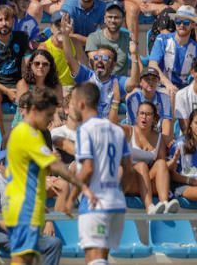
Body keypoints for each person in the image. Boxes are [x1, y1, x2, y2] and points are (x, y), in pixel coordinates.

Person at [6, 87, 94, 265]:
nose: (50, 121)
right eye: (48, 115)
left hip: (31, 207)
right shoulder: (26, 133)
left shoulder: (36, 134)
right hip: (23, 210)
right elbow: (54, 165)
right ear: (34, 110)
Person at [72, 82, 131, 263]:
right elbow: (129, 169)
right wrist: (118, 191)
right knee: (101, 257)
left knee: (93, 257)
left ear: (81, 103)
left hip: (96, 203)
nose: (72, 106)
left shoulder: (85, 129)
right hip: (116, 203)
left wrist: (69, 197)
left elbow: (88, 169)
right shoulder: (117, 130)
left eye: (73, 101)